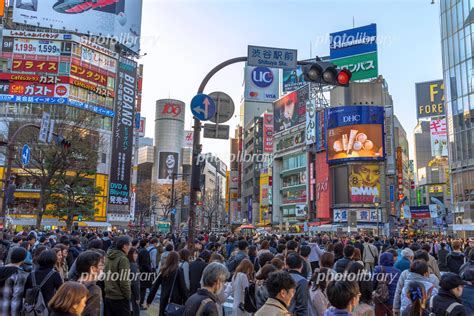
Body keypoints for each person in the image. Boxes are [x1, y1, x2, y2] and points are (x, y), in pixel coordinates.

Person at [146, 251, 188, 316]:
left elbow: (155, 286)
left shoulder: (163, 270)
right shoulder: (179, 270)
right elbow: (183, 288)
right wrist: (186, 301)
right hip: (176, 300)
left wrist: (149, 300)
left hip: (164, 298)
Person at [104, 235, 132, 316]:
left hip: (108, 296)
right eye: (129, 245)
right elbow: (124, 281)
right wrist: (128, 296)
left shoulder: (109, 256)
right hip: (120, 298)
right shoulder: (123, 259)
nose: (130, 247)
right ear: (124, 246)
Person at [0, 247, 28, 315]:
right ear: (23, 259)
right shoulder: (19, 274)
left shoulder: (2, 268)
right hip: (9, 311)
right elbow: (16, 298)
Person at [76, 250, 104, 316]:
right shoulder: (94, 290)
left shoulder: (71, 286)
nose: (102, 268)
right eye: (100, 265)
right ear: (93, 268)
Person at [127, 247, 141, 316]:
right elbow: (135, 283)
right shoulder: (133, 265)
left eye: (137, 254)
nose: (136, 255)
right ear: (130, 254)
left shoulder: (127, 263)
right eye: (135, 253)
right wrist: (137, 297)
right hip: (132, 294)